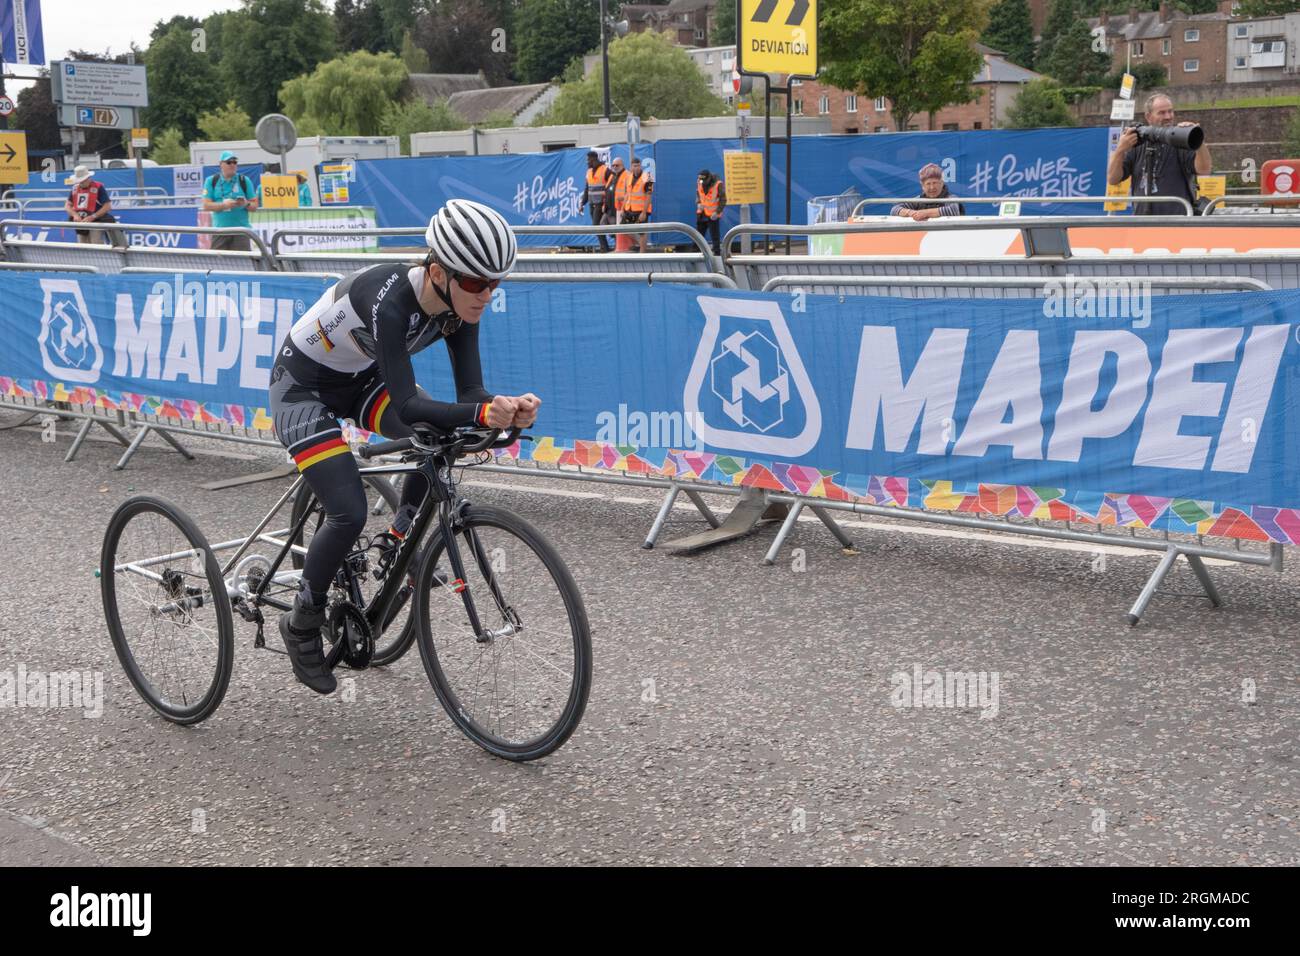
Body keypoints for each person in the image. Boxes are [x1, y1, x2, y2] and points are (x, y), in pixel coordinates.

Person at [269, 199, 539, 694]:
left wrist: (502, 408)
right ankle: (302, 622)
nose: (486, 295)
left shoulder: (460, 306)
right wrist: (480, 414)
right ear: (438, 271)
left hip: (360, 381)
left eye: (495, 284)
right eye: (477, 284)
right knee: (348, 512)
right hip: (301, 389)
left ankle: (396, 539)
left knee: (438, 438)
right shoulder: (389, 300)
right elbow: (411, 404)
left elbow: (470, 395)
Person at [1107, 93, 1211, 216]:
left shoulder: (1181, 140)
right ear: (1148, 117)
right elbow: (1113, 179)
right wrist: (1120, 150)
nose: (1168, 116)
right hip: (1142, 223)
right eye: (1161, 113)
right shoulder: (1137, 142)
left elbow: (1204, 170)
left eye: (1170, 111)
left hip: (1177, 223)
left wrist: (1197, 140)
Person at [201, 150, 259, 250]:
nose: (232, 165)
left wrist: (245, 203)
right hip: (220, 231)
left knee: (242, 264)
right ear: (221, 165)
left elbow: (254, 206)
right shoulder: (211, 181)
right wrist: (224, 205)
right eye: (229, 162)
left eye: (234, 162)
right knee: (218, 264)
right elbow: (206, 206)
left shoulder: (244, 180)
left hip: (241, 232)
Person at [890, 164, 964, 221]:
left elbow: (953, 211)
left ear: (942, 183)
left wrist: (924, 213)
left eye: (935, 183)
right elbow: (894, 210)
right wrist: (911, 213)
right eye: (928, 184)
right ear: (922, 186)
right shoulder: (919, 200)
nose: (932, 187)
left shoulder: (951, 198)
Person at [64, 166, 115, 245]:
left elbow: (107, 206)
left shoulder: (98, 187)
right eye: (79, 181)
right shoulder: (74, 188)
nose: (81, 183)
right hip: (80, 222)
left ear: (88, 178)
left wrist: (93, 217)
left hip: (96, 221)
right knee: (82, 245)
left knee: (95, 244)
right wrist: (75, 215)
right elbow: (67, 205)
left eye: (83, 180)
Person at [578, 150, 613, 252]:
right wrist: (582, 203)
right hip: (592, 204)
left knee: (596, 226)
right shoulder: (588, 172)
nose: (587, 162)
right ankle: (605, 247)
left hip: (601, 204)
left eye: (588, 160)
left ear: (594, 159)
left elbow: (612, 184)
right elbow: (587, 189)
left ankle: (605, 248)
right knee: (597, 226)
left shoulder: (605, 170)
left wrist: (606, 200)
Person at [622, 157, 654, 253]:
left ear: (641, 166)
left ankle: (642, 253)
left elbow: (649, 196)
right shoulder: (629, 177)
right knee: (624, 228)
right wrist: (623, 208)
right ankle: (642, 245)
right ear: (631, 167)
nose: (636, 168)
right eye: (634, 166)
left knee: (642, 232)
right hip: (630, 208)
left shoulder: (648, 177)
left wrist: (644, 213)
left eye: (638, 165)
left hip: (641, 210)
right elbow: (627, 194)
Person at [695, 168, 726, 256]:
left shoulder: (718, 184)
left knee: (714, 236)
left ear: (709, 178)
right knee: (698, 235)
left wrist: (717, 212)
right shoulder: (699, 181)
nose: (702, 182)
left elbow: (723, 199)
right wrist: (698, 202)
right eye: (700, 180)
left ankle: (717, 254)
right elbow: (698, 193)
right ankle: (696, 253)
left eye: (704, 180)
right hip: (701, 212)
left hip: (713, 214)